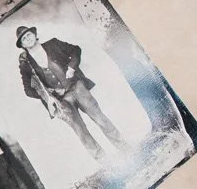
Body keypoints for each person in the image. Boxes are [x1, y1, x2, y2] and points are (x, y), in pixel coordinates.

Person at [17, 25, 127, 161]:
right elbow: (28, 90)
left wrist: (71, 67)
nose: (27, 38)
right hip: (61, 102)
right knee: (82, 132)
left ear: (34, 34)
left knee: (100, 119)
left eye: (28, 35)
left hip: (77, 88)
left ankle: (126, 149)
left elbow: (75, 50)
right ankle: (107, 163)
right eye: (24, 39)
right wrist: (48, 95)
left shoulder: (53, 44)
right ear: (22, 45)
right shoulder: (26, 64)